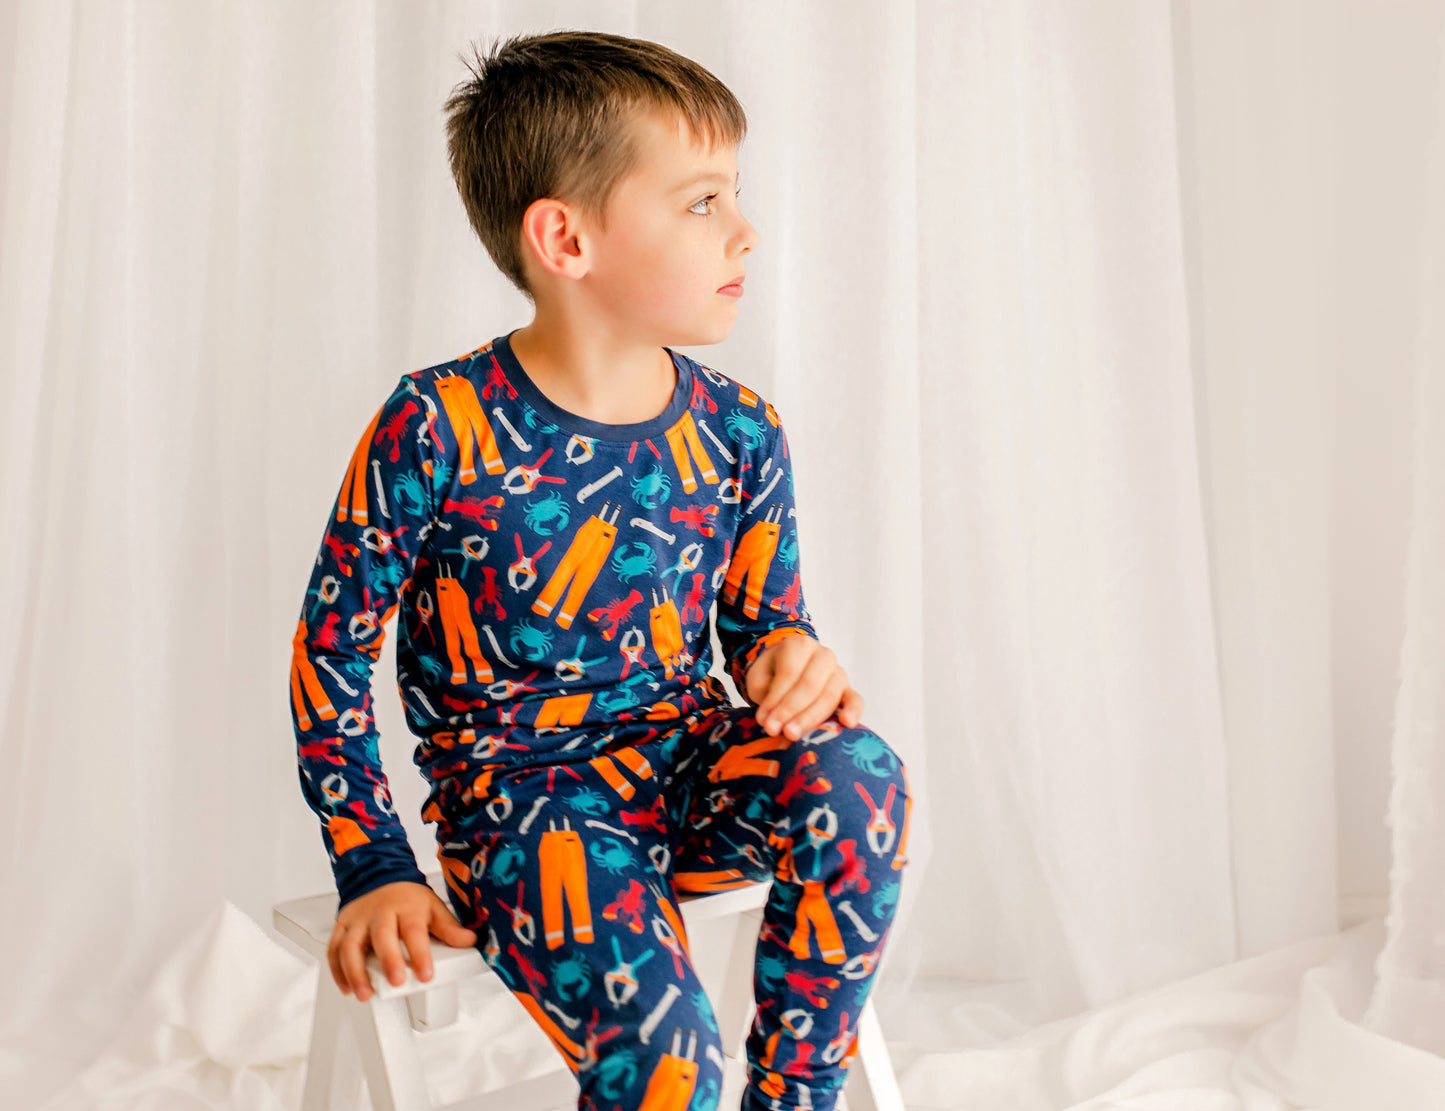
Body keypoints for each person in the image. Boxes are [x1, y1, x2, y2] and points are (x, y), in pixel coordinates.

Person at [287, 28, 911, 1111]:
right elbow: (331, 650)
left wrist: (794, 660)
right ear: (565, 239)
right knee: (669, 1066)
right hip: (526, 808)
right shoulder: (435, 425)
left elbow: (766, 628)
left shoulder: (740, 433)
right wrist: (373, 861)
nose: (747, 232)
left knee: (863, 776)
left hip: (691, 771)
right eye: (701, 202)